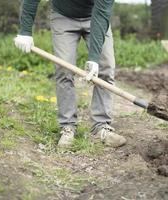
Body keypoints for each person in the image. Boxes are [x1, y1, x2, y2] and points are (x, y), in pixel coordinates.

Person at [14, 0, 126, 148]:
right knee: (64, 70)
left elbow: (101, 13)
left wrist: (94, 59)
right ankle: (68, 127)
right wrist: (25, 32)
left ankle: (101, 125)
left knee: (105, 67)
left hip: (95, 16)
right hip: (63, 17)